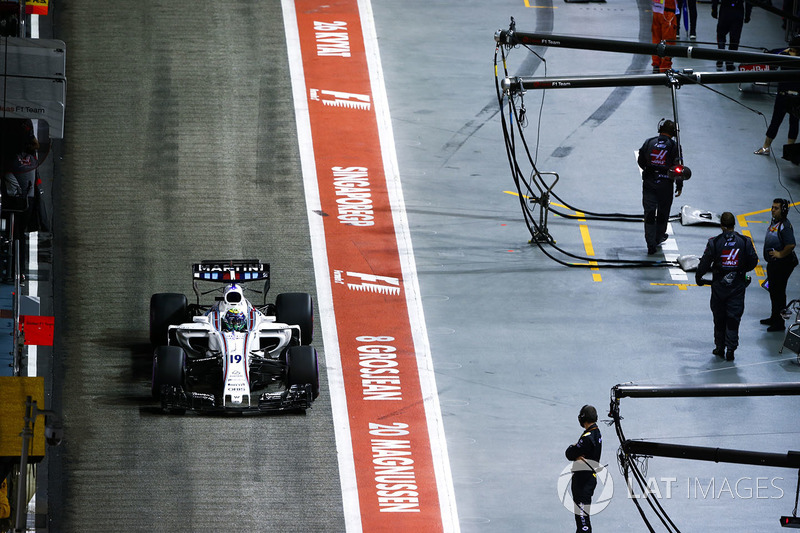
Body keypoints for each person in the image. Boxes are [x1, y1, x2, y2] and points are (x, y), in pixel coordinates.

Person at [695, 212, 758, 360]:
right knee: (733, 318)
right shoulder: (745, 241)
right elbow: (753, 261)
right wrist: (741, 271)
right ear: (734, 224)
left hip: (719, 287)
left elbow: (705, 262)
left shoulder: (714, 242)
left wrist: (699, 277)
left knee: (719, 317)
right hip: (737, 287)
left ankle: (719, 347)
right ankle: (731, 349)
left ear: (721, 225)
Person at [638, 119, 683, 254]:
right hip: (666, 184)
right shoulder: (674, 146)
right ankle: (658, 237)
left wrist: (649, 170)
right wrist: (679, 184)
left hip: (650, 183)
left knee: (650, 213)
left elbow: (641, 161)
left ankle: (650, 243)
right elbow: (678, 168)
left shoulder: (649, 142)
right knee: (663, 213)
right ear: (673, 133)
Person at [754, 37, 800, 156]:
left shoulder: (787, 56)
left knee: (794, 123)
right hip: (783, 95)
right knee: (776, 121)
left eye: (793, 49)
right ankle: (766, 148)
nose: (790, 51)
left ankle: (790, 152)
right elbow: (772, 59)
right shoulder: (783, 54)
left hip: (796, 97)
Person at [565, 405, 602, 533]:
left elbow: (569, 453)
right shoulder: (596, 431)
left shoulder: (587, 438)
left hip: (583, 482)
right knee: (582, 518)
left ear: (582, 418)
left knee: (582, 521)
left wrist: (573, 448)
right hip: (588, 478)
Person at [761, 198, 797, 331]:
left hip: (782, 264)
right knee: (773, 291)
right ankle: (774, 317)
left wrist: (780, 254)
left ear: (783, 210)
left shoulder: (784, 226)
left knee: (779, 293)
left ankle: (779, 323)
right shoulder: (775, 222)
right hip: (774, 264)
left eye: (776, 208)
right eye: (772, 207)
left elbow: (791, 244)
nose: (772, 210)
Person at [711, 0, 753, 71]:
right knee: (734, 38)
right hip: (738, 10)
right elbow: (749, 2)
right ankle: (730, 62)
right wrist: (748, 15)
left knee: (721, 34)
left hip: (725, 9)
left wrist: (714, 10)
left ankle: (721, 54)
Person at [651, 0, 679, 73]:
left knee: (656, 38)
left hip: (657, 10)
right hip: (668, 11)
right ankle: (665, 68)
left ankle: (656, 65)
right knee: (668, 41)